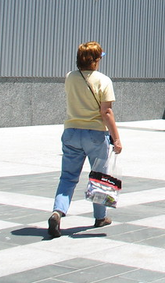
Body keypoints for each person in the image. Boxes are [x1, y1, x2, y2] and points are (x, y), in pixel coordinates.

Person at [48, 42, 121, 238]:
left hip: (71, 131)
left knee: (68, 177)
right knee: (99, 176)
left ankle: (58, 211)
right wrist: (117, 138)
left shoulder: (70, 78)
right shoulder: (104, 81)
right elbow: (106, 112)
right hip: (95, 133)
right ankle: (100, 217)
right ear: (96, 60)